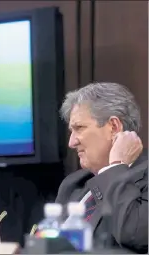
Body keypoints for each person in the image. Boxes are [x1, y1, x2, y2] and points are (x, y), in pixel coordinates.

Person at [56, 82, 147, 253]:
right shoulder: (73, 184)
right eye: (71, 131)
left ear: (113, 127)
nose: (71, 142)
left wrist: (116, 167)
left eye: (79, 128)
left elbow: (134, 235)